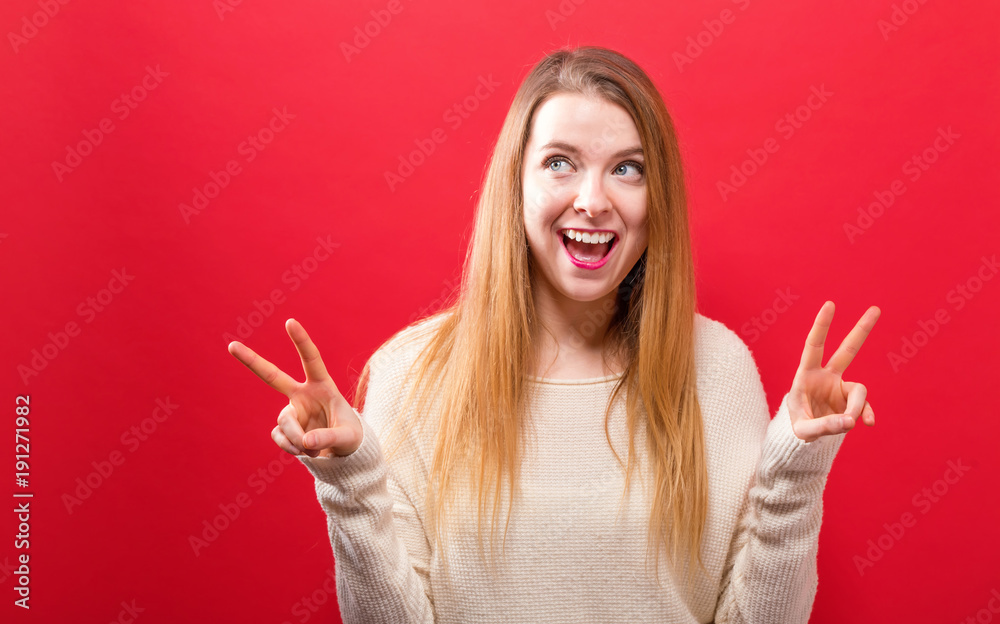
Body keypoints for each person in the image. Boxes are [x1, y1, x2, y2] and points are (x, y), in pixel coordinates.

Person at [228, 46, 880, 623]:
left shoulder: (719, 367)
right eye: (561, 163)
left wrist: (794, 468)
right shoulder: (410, 372)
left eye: (628, 168)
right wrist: (350, 478)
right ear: (517, 183)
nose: (593, 200)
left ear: (660, 197)